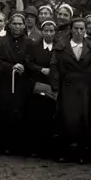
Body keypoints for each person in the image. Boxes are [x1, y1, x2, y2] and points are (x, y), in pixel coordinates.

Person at [50, 17, 91, 163]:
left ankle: (81, 154)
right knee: (66, 118)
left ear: (85, 30)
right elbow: (54, 68)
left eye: (82, 29)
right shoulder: (61, 48)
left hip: (85, 88)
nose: (79, 32)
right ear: (71, 30)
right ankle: (64, 152)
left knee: (84, 119)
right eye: (76, 28)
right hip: (67, 88)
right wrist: (55, 87)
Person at [0, 11, 34, 156]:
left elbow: (33, 61)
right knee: (6, 111)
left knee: (22, 111)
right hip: (6, 81)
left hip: (23, 82)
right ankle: (5, 145)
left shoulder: (30, 43)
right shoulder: (1, 42)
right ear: (9, 25)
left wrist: (24, 66)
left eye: (20, 24)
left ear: (24, 26)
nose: (17, 27)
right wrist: (10, 67)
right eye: (14, 24)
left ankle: (20, 146)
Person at [25, 19, 58, 158]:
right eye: (46, 31)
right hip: (38, 85)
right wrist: (41, 70)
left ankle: (48, 149)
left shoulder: (59, 47)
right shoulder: (35, 46)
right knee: (37, 117)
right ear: (42, 31)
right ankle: (35, 148)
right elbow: (28, 62)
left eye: (51, 31)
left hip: (53, 86)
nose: (49, 34)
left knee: (51, 118)